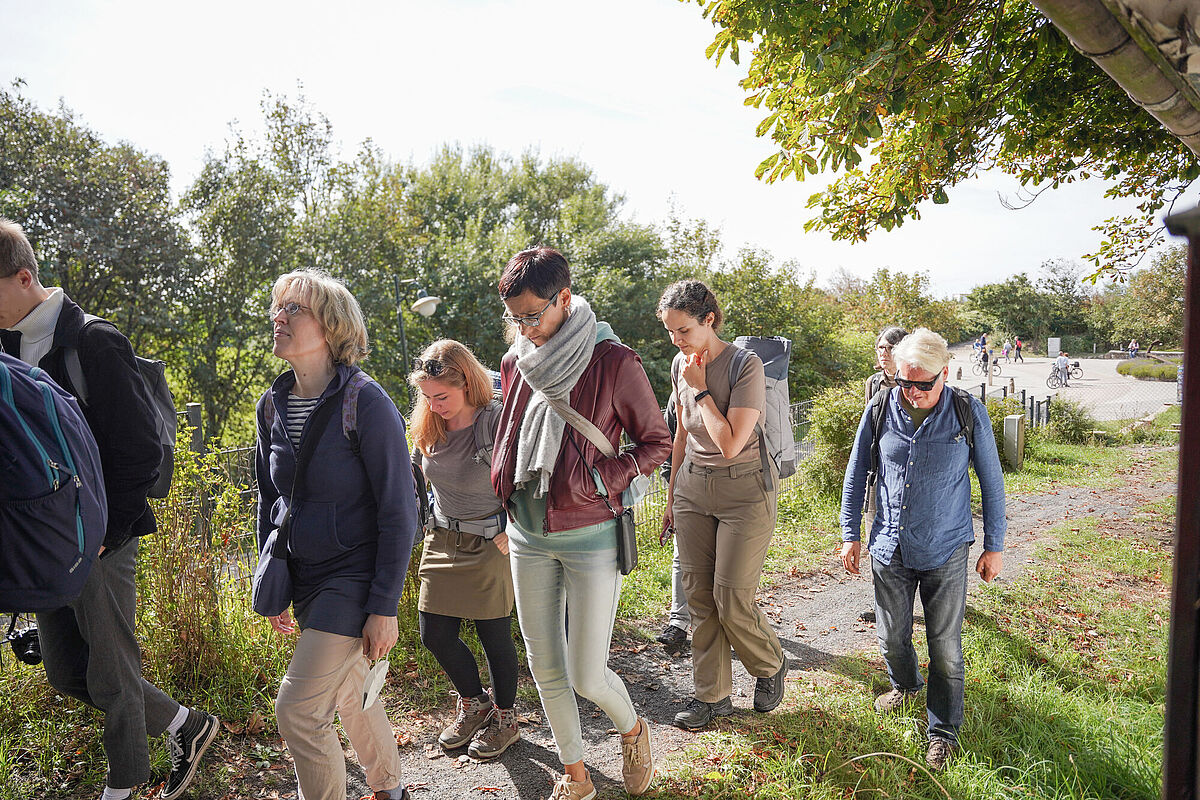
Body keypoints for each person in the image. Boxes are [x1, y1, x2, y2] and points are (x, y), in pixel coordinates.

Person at [0, 218, 218, 800]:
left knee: (112, 670)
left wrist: (107, 529)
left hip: (102, 536)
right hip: (45, 542)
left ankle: (125, 786)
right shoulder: (4, 349)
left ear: (24, 278)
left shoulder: (94, 341)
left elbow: (140, 451)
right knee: (67, 671)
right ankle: (187, 725)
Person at [491, 246, 671, 800]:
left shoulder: (615, 362)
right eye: (514, 317)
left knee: (586, 674)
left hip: (592, 535)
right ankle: (575, 777)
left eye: (533, 315)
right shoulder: (514, 361)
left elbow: (657, 442)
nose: (524, 329)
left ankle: (634, 730)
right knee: (545, 667)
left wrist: (604, 480)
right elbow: (512, 434)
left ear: (564, 299)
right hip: (527, 534)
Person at [255, 268, 415, 800]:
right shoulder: (271, 405)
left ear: (331, 327)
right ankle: (389, 788)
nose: (279, 317)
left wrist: (384, 605)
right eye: (278, 307)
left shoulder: (366, 403)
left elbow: (400, 508)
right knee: (350, 693)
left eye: (294, 309)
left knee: (298, 712)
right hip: (302, 573)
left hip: (353, 576)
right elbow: (270, 498)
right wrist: (269, 574)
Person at [838, 327, 1006, 771]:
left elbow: (992, 483)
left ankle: (943, 732)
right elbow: (856, 474)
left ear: (945, 374)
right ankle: (906, 686)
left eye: (922, 384)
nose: (911, 392)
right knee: (892, 637)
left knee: (945, 646)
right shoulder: (879, 408)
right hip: (888, 545)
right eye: (904, 382)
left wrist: (995, 545)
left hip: (946, 547)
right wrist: (850, 532)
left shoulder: (969, 413)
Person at [658, 279, 789, 732]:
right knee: (698, 595)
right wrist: (673, 495)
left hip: (744, 489)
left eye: (684, 331)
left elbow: (731, 443)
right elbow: (681, 433)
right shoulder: (679, 364)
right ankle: (711, 697)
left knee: (730, 597)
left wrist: (699, 389)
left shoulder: (744, 365)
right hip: (694, 486)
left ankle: (770, 663)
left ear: (708, 320)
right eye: (671, 332)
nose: (677, 341)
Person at [409, 340, 520, 760]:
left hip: (492, 541)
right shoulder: (427, 424)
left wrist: (515, 525)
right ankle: (475, 703)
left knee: (494, 636)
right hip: (442, 537)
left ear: (467, 384)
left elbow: (527, 476)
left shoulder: (495, 419)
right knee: (433, 633)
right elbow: (416, 481)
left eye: (443, 396)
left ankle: (506, 719)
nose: (435, 405)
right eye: (427, 396)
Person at [860, 326, 909, 623]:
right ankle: (883, 606)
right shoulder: (873, 383)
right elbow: (867, 427)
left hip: (907, 475)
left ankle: (913, 601)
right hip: (877, 474)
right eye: (880, 348)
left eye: (889, 348)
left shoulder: (915, 381)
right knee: (875, 537)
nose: (883, 354)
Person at [655, 391, 692, 655]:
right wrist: (673, 487)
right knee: (682, 556)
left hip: (727, 490)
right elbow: (670, 439)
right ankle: (678, 625)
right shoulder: (678, 391)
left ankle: (728, 622)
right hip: (685, 487)